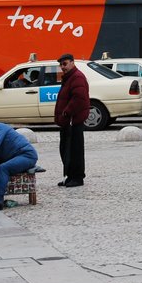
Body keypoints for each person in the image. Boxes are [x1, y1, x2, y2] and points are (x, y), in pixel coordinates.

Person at [54, 54, 88, 187]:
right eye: (61, 64)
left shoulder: (77, 77)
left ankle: (77, 177)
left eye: (65, 63)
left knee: (75, 150)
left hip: (73, 121)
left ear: (72, 63)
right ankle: (69, 176)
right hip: (67, 121)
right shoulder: (69, 78)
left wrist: (66, 112)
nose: (63, 67)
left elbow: (79, 98)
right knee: (66, 149)